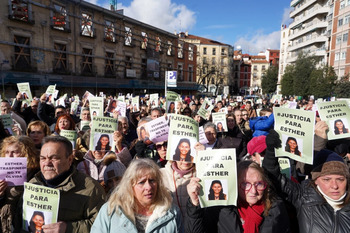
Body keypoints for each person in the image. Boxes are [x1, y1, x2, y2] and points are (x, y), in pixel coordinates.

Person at [263, 130, 350, 233]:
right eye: (327, 179)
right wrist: (271, 151)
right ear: (316, 180)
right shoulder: (303, 196)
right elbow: (273, 176)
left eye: (340, 179)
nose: (334, 186)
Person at [14, 136, 106, 232]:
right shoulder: (33, 184)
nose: (47, 163)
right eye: (43, 158)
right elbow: (19, 221)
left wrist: (68, 228)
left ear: (70, 159)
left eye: (54, 158)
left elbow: (102, 225)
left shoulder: (90, 188)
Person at [185, 160, 290, 233]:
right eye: (245, 184)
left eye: (259, 184)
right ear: (235, 184)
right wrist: (194, 205)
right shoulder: (221, 208)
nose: (253, 191)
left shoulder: (276, 209)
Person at [91, 159, 183, 233]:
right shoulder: (110, 210)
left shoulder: (171, 212)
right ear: (130, 185)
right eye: (141, 182)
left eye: (152, 181)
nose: (148, 187)